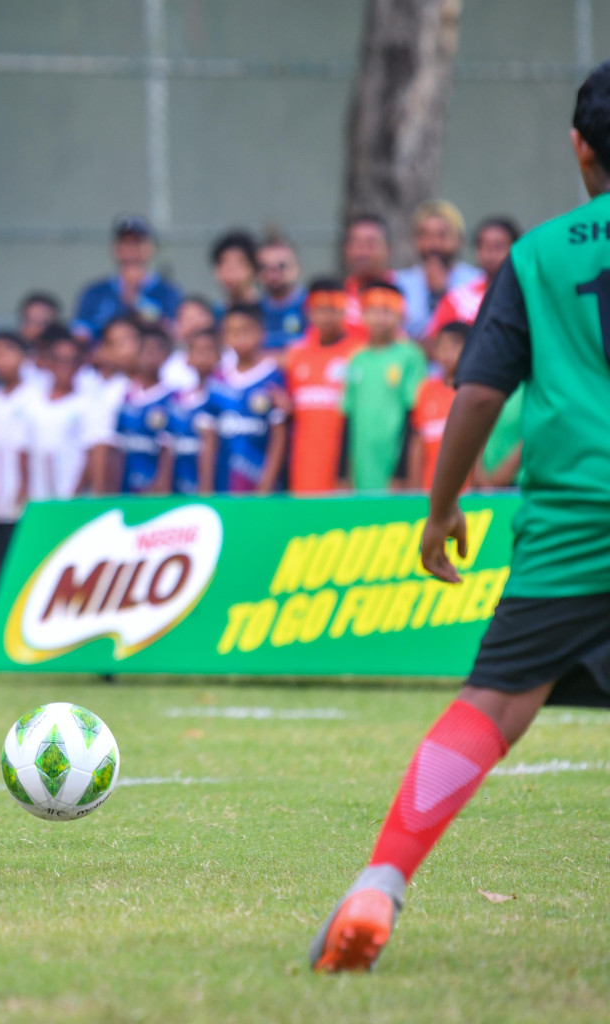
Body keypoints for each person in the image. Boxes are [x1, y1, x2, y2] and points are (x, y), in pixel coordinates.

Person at [309, 61, 610, 973]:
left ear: (579, 147)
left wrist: (441, 511)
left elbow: (477, 395)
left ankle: (380, 885)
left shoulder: (538, 255)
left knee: (491, 706)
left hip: (573, 524)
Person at [342, 282, 427, 491]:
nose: (379, 318)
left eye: (387, 311)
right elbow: (348, 416)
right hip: (361, 467)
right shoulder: (356, 359)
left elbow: (413, 416)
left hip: (393, 465)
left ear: (401, 315)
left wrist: (402, 472)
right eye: (372, 311)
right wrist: (343, 473)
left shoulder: (410, 356)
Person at [196, 304, 288, 495]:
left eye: (246, 330)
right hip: (224, 488)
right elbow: (209, 440)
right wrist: (205, 489)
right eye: (232, 332)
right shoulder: (216, 382)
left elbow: (279, 438)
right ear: (224, 337)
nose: (239, 337)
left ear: (261, 333)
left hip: (260, 489)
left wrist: (266, 487)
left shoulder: (274, 377)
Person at [284, 279, 365, 494]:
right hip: (303, 467)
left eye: (333, 310)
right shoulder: (296, 355)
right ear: (309, 313)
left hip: (344, 468)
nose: (326, 317)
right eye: (319, 310)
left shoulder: (358, 353)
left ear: (344, 311)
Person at [22, 330, 111, 501]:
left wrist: (76, 497)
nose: (65, 366)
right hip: (37, 500)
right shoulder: (32, 402)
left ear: (80, 365)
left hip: (73, 499)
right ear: (49, 362)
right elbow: (24, 452)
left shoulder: (90, 404)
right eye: (59, 360)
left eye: (72, 361)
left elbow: (96, 454)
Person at [0, 332, 33, 613]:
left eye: (6, 353)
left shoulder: (32, 398)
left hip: (23, 497)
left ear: (22, 357)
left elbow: (26, 449)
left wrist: (25, 486)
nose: (0, 361)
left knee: (22, 561)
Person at [73, 216, 184, 337]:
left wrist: (137, 302)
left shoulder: (168, 292)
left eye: (137, 243)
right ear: (115, 249)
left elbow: (174, 333)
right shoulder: (95, 292)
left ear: (151, 248)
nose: (130, 249)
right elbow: (80, 333)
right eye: (125, 243)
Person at [394, 199, 484, 341]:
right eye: (425, 235)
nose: (433, 244)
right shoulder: (399, 283)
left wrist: (442, 293)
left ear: (459, 240)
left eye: (442, 235)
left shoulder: (476, 282)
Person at [424, 216, 522, 338]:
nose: (490, 254)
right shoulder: (458, 300)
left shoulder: (526, 296)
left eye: (498, 247)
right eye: (485, 247)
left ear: (515, 249)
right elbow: (434, 341)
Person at [109, 325, 176, 494]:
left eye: (156, 351)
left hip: (154, 492)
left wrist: (160, 486)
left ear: (166, 356)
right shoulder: (124, 396)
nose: (149, 356)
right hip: (125, 489)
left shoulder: (171, 399)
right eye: (144, 350)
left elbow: (168, 450)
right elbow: (117, 447)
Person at [161, 328, 221, 495]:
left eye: (210, 350)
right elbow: (168, 447)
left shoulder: (224, 397)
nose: (203, 357)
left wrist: (205, 493)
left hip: (217, 491)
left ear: (221, 357)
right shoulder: (176, 401)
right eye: (198, 351)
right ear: (187, 359)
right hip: (179, 491)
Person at [407, 322, 466, 491]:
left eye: (454, 346)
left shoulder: (471, 393)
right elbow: (417, 442)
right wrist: (413, 486)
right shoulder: (425, 390)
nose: (447, 353)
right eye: (442, 346)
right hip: (429, 489)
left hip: (466, 492)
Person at [341, 214, 393, 335]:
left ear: (388, 249)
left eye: (371, 245)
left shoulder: (405, 293)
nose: (362, 253)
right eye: (356, 245)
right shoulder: (338, 296)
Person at [257, 234, 307, 352]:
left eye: (281, 266)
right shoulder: (253, 312)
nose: (274, 274)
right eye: (266, 267)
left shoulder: (311, 307)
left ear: (297, 268)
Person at [210, 229, 259, 313]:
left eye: (239, 264)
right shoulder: (214, 314)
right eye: (224, 265)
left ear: (254, 269)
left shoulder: (266, 313)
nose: (231, 273)